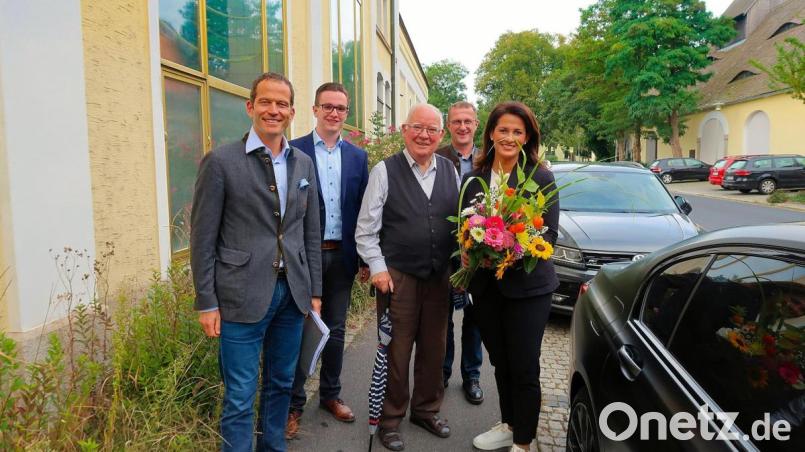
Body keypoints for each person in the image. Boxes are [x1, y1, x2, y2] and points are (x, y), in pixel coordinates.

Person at [190, 72, 323, 452]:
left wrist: (315, 291)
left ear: (292, 112)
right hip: (239, 296)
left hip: (292, 295)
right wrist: (207, 301)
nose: (273, 110)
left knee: (281, 384)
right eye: (265, 101)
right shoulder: (220, 162)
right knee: (240, 395)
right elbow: (203, 238)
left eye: (281, 104)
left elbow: (309, 232)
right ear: (250, 107)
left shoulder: (303, 165)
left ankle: (273, 447)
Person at [356, 104, 460, 451]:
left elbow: (459, 224)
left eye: (432, 130)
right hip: (397, 276)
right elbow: (366, 231)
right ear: (404, 130)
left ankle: (426, 410)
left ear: (440, 135)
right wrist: (379, 268)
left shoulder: (451, 170)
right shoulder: (385, 171)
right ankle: (389, 419)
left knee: (435, 348)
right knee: (396, 353)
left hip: (439, 277)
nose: (424, 135)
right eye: (417, 127)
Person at [463, 102, 559, 452]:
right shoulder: (474, 178)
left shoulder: (540, 177)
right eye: (503, 130)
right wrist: (472, 244)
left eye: (518, 132)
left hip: (528, 290)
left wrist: (513, 246)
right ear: (490, 133)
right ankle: (508, 424)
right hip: (487, 289)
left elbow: (548, 236)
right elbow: (463, 227)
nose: (509, 137)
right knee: (499, 362)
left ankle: (523, 442)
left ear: (527, 137)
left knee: (523, 366)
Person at [286, 82, 370, 437]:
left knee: (335, 331)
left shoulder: (357, 157)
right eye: (328, 106)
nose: (334, 113)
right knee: (298, 330)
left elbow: (364, 210)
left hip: (342, 257)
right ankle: (292, 405)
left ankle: (330, 396)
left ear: (346, 114)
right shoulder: (294, 151)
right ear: (314, 109)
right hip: (304, 258)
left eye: (341, 108)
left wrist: (366, 258)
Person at [435, 101, 484, 405]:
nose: (463, 127)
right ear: (448, 125)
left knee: (474, 318)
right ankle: (441, 373)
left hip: (478, 251)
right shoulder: (438, 156)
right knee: (443, 319)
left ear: (476, 125)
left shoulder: (487, 160)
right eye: (457, 122)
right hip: (442, 249)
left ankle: (472, 375)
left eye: (468, 121)